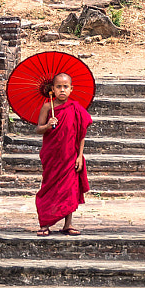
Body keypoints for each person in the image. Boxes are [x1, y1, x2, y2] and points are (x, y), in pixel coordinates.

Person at [35, 71, 91, 235]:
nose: (62, 90)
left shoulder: (76, 108)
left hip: (70, 156)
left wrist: (80, 156)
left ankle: (68, 224)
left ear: (71, 89)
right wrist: (47, 125)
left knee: (69, 190)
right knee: (49, 188)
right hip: (52, 156)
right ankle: (45, 224)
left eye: (65, 87)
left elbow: (82, 135)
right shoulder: (47, 107)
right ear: (52, 89)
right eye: (58, 86)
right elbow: (38, 129)